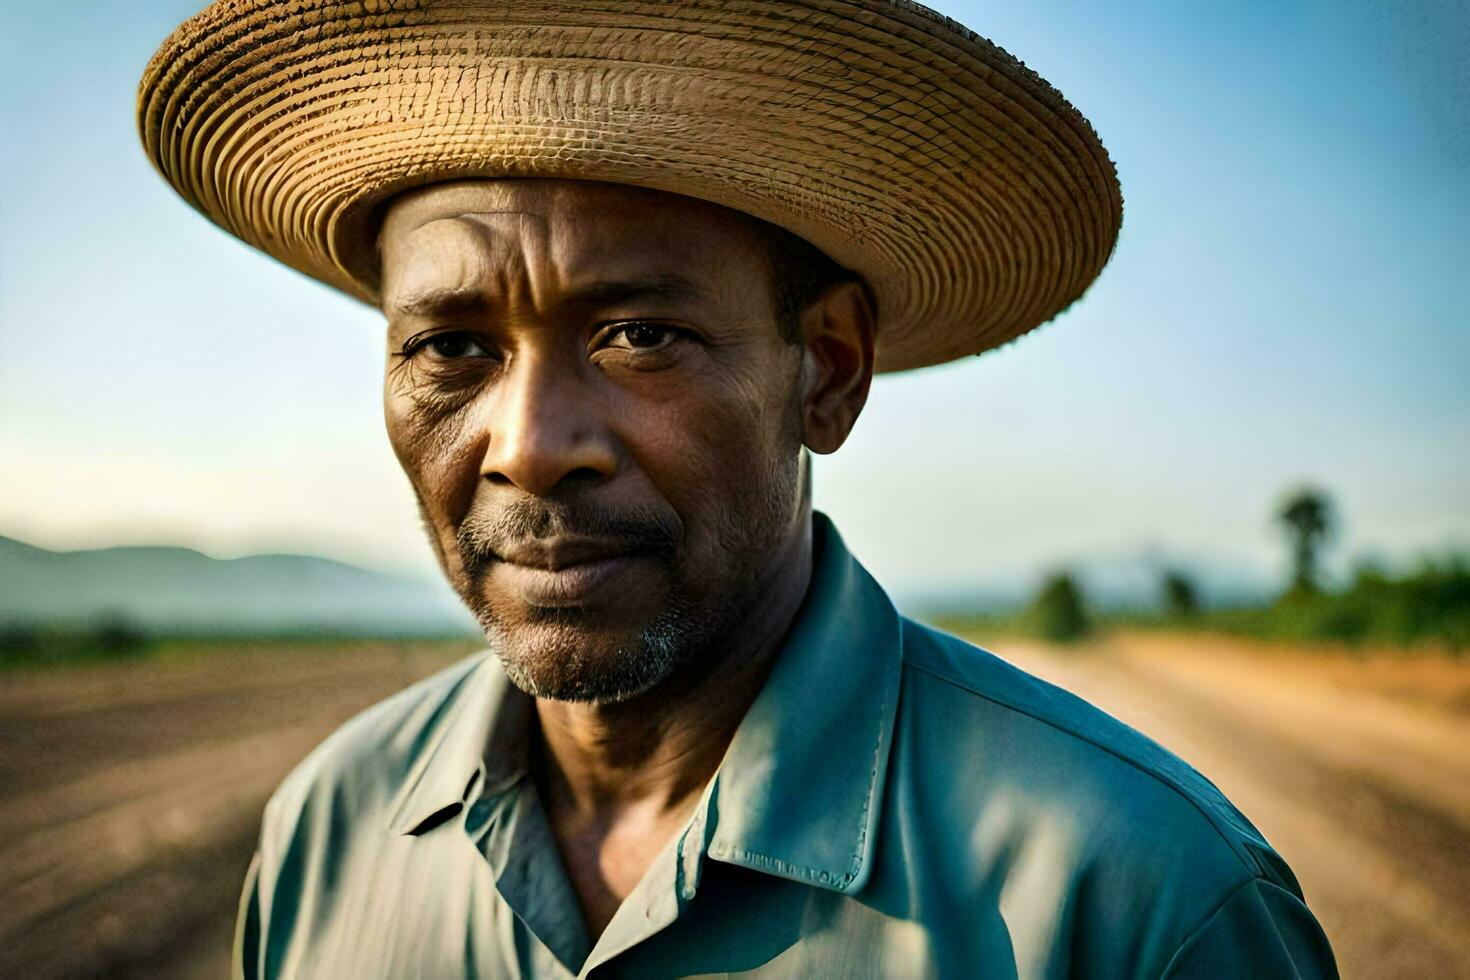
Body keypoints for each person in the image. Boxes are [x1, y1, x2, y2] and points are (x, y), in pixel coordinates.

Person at [138, 2, 1338, 977]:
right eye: (451, 348)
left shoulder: (1135, 898)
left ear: (827, 370)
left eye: (640, 333)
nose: (530, 445)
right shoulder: (330, 831)